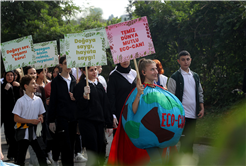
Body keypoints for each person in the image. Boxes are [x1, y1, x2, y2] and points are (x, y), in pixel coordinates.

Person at [108, 59, 179, 165]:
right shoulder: (138, 90)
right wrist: (138, 95)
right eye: (152, 69)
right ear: (144, 72)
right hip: (146, 136)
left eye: (155, 69)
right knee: (157, 161)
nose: (156, 72)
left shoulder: (160, 90)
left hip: (160, 135)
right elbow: (133, 110)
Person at [74, 66, 113, 166]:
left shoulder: (99, 85)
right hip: (87, 122)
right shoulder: (80, 86)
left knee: (101, 149)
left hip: (99, 122)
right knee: (93, 150)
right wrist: (84, 96)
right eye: (91, 70)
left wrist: (109, 123)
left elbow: (105, 105)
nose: (94, 72)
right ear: (83, 71)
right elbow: (79, 107)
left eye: (95, 69)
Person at [167, 50, 204, 154]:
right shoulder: (175, 77)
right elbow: (171, 96)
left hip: (193, 113)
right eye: (183, 60)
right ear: (179, 61)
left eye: (187, 59)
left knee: (191, 139)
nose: (185, 62)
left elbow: (200, 92)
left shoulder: (195, 76)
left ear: (190, 60)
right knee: (184, 140)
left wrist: (201, 107)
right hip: (181, 114)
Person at [48, 55, 77, 166]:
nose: (68, 65)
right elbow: (53, 101)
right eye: (65, 63)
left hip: (73, 118)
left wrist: (77, 97)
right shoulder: (56, 81)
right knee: (66, 147)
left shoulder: (74, 80)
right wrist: (51, 120)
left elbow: (78, 101)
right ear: (61, 65)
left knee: (72, 147)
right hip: (62, 118)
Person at [12, 75, 47, 166]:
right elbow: (16, 118)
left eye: (35, 83)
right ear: (25, 86)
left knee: (42, 155)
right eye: (32, 83)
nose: (35, 85)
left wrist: (41, 118)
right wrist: (30, 121)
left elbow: (41, 113)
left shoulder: (38, 100)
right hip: (24, 133)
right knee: (21, 157)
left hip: (35, 133)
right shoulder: (20, 101)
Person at [107, 61, 137, 132]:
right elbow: (111, 97)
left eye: (127, 58)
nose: (125, 61)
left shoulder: (135, 73)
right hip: (120, 113)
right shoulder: (113, 76)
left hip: (135, 111)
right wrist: (113, 114)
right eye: (122, 59)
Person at [0, 70, 20, 162]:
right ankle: (12, 154)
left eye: (12, 75)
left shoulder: (17, 85)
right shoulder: (2, 86)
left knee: (17, 136)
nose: (10, 77)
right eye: (8, 75)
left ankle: (15, 155)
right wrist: (5, 90)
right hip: (7, 116)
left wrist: (18, 87)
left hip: (17, 114)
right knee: (10, 136)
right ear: (5, 76)